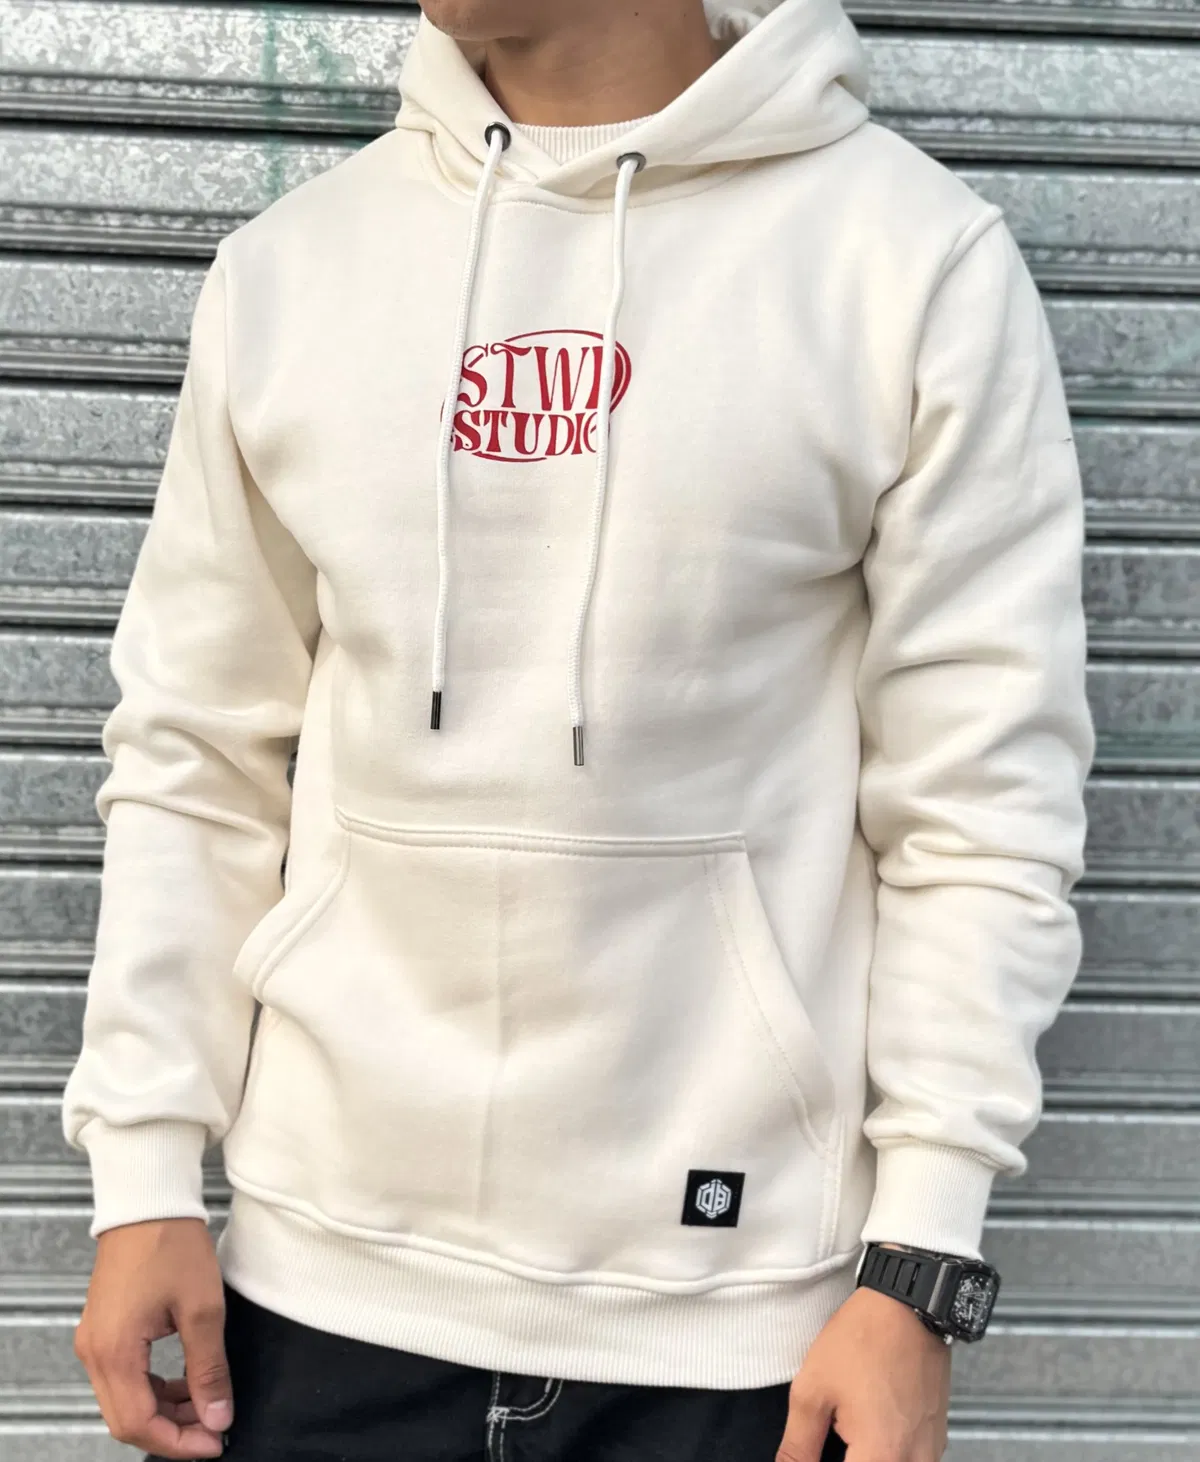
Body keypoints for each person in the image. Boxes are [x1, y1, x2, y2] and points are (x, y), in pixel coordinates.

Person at [61, 0, 1095, 1458]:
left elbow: (981, 800)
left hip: (740, 1326)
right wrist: (143, 1171)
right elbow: (194, 754)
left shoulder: (908, 264)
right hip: (315, 1296)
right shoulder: (292, 272)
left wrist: (920, 1262)